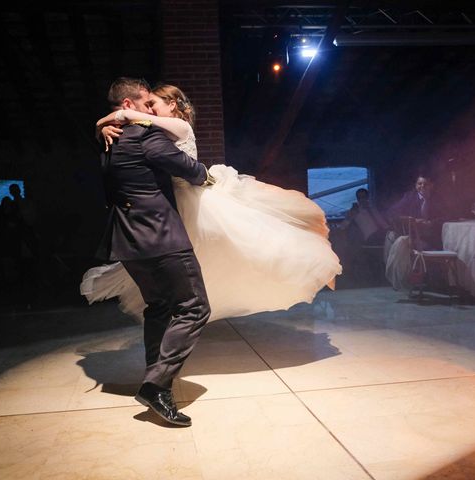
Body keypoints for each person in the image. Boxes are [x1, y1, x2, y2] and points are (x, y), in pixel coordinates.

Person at [83, 83, 341, 322]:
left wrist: (112, 119)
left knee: (236, 246)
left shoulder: (179, 126)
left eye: (154, 104)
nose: (149, 109)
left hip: (192, 196)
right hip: (177, 202)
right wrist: (103, 126)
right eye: (147, 104)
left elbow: (138, 121)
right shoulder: (156, 129)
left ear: (172, 104)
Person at [89, 77, 215, 427]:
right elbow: (188, 169)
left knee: (159, 307)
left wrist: (100, 127)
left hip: (127, 242)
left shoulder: (109, 141)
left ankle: (156, 378)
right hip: (161, 237)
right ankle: (156, 385)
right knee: (195, 308)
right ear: (127, 106)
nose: (149, 111)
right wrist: (204, 174)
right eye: (146, 105)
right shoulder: (146, 135)